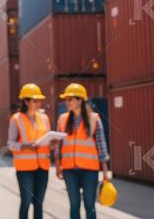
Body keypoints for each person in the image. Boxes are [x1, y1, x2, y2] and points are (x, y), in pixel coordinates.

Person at [55, 83, 110, 219]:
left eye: (70, 99)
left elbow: (102, 146)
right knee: (74, 204)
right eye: (66, 99)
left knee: (89, 204)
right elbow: (58, 146)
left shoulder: (94, 119)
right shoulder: (62, 119)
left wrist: (105, 172)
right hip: (69, 169)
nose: (66, 102)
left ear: (80, 100)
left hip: (89, 169)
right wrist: (57, 166)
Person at [8, 83, 52, 219]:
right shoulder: (16, 119)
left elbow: (47, 140)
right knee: (26, 202)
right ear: (26, 101)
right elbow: (10, 144)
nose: (39, 103)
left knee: (39, 203)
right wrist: (26, 146)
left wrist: (53, 143)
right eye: (35, 100)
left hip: (43, 167)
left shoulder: (45, 118)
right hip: (24, 169)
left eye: (40, 100)